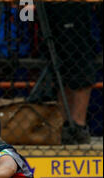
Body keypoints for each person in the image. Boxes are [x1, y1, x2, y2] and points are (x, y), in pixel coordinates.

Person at [44, 2, 96, 144]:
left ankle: (78, 125)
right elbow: (25, 15)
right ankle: (64, 125)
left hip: (76, 11)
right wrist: (27, 8)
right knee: (58, 64)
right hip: (46, 13)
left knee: (79, 59)